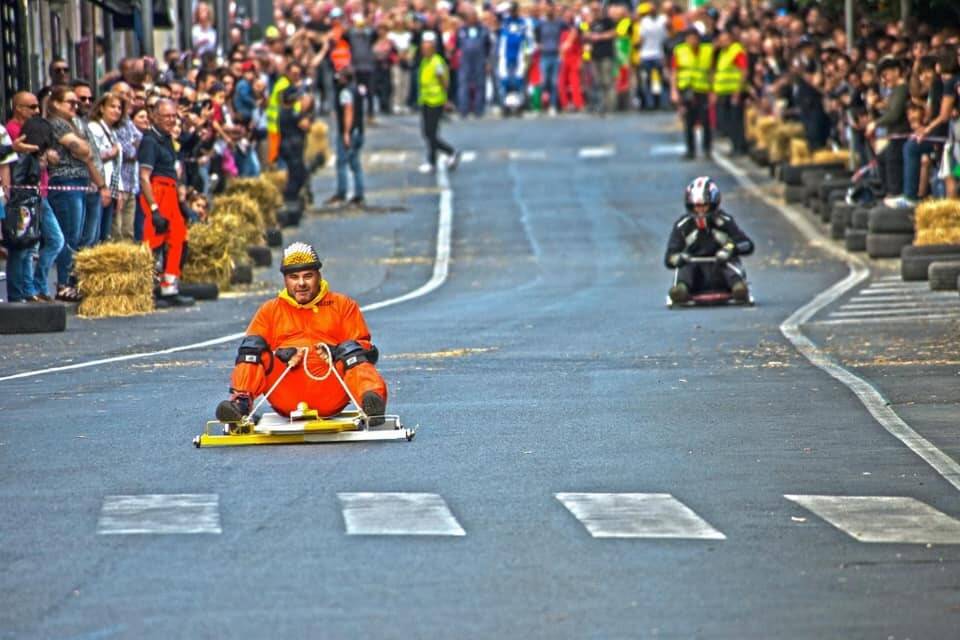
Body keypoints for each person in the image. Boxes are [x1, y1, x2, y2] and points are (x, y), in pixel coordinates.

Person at [215, 241, 388, 425]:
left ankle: (372, 404)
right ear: (285, 280)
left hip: (330, 392)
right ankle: (240, 404)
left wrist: (335, 351)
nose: (301, 283)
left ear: (319, 276)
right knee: (252, 347)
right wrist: (279, 354)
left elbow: (367, 351)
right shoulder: (269, 310)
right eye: (294, 277)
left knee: (351, 349)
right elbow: (248, 357)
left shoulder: (343, 305)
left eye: (308, 276)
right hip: (286, 394)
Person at [665, 176, 754, 304]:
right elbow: (669, 258)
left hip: (721, 271)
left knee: (728, 262)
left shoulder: (725, 221)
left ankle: (738, 288)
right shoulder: (683, 225)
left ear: (713, 204)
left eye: (704, 206)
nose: (700, 210)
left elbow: (747, 245)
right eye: (696, 206)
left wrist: (729, 249)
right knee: (685, 266)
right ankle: (680, 290)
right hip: (695, 275)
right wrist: (680, 258)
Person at [138, 99, 192, 306]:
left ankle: (169, 287)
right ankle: (147, 291)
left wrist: (181, 202)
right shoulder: (150, 141)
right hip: (157, 192)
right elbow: (144, 177)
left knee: (178, 237)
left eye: (173, 116)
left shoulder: (167, 138)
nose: (171, 120)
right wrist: (154, 209)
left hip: (170, 192)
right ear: (154, 116)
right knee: (153, 242)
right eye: (166, 116)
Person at [418, 32, 459, 174]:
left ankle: (450, 152)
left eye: (427, 46)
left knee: (430, 133)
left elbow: (444, 81)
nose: (424, 49)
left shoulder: (437, 62)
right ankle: (432, 161)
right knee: (428, 133)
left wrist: (446, 99)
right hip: (425, 99)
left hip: (436, 101)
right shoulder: (424, 61)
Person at [671, 28, 713, 160]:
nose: (692, 41)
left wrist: (712, 90)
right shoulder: (679, 51)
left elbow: (712, 70)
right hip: (687, 90)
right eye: (690, 38)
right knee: (689, 121)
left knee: (705, 121)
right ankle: (690, 150)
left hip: (703, 89)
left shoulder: (707, 50)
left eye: (695, 38)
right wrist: (674, 91)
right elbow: (674, 72)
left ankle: (707, 149)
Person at [325, 67, 365, 207]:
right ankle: (359, 194)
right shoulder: (357, 89)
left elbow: (348, 111)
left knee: (342, 163)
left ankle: (342, 192)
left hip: (349, 132)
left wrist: (346, 133)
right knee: (355, 163)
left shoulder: (346, 93)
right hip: (359, 131)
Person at [278, 87, 311, 209]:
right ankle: (290, 200)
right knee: (297, 175)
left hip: (287, 145)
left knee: (294, 173)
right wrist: (304, 110)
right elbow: (305, 126)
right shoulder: (293, 112)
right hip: (293, 146)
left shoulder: (281, 112)